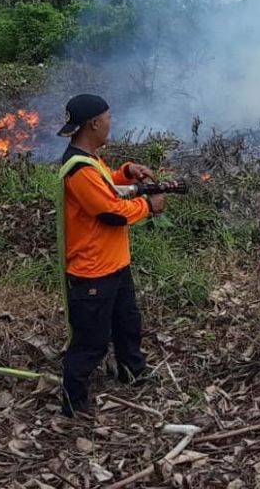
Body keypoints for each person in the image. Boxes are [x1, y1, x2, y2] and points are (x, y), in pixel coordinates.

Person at [54, 93, 165, 417]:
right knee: (91, 341)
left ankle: (132, 369)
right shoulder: (79, 170)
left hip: (115, 265)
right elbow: (111, 212)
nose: (110, 124)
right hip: (93, 272)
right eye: (108, 118)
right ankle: (74, 403)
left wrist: (127, 172)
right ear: (93, 124)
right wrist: (149, 205)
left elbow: (109, 186)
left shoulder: (91, 160)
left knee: (127, 323)